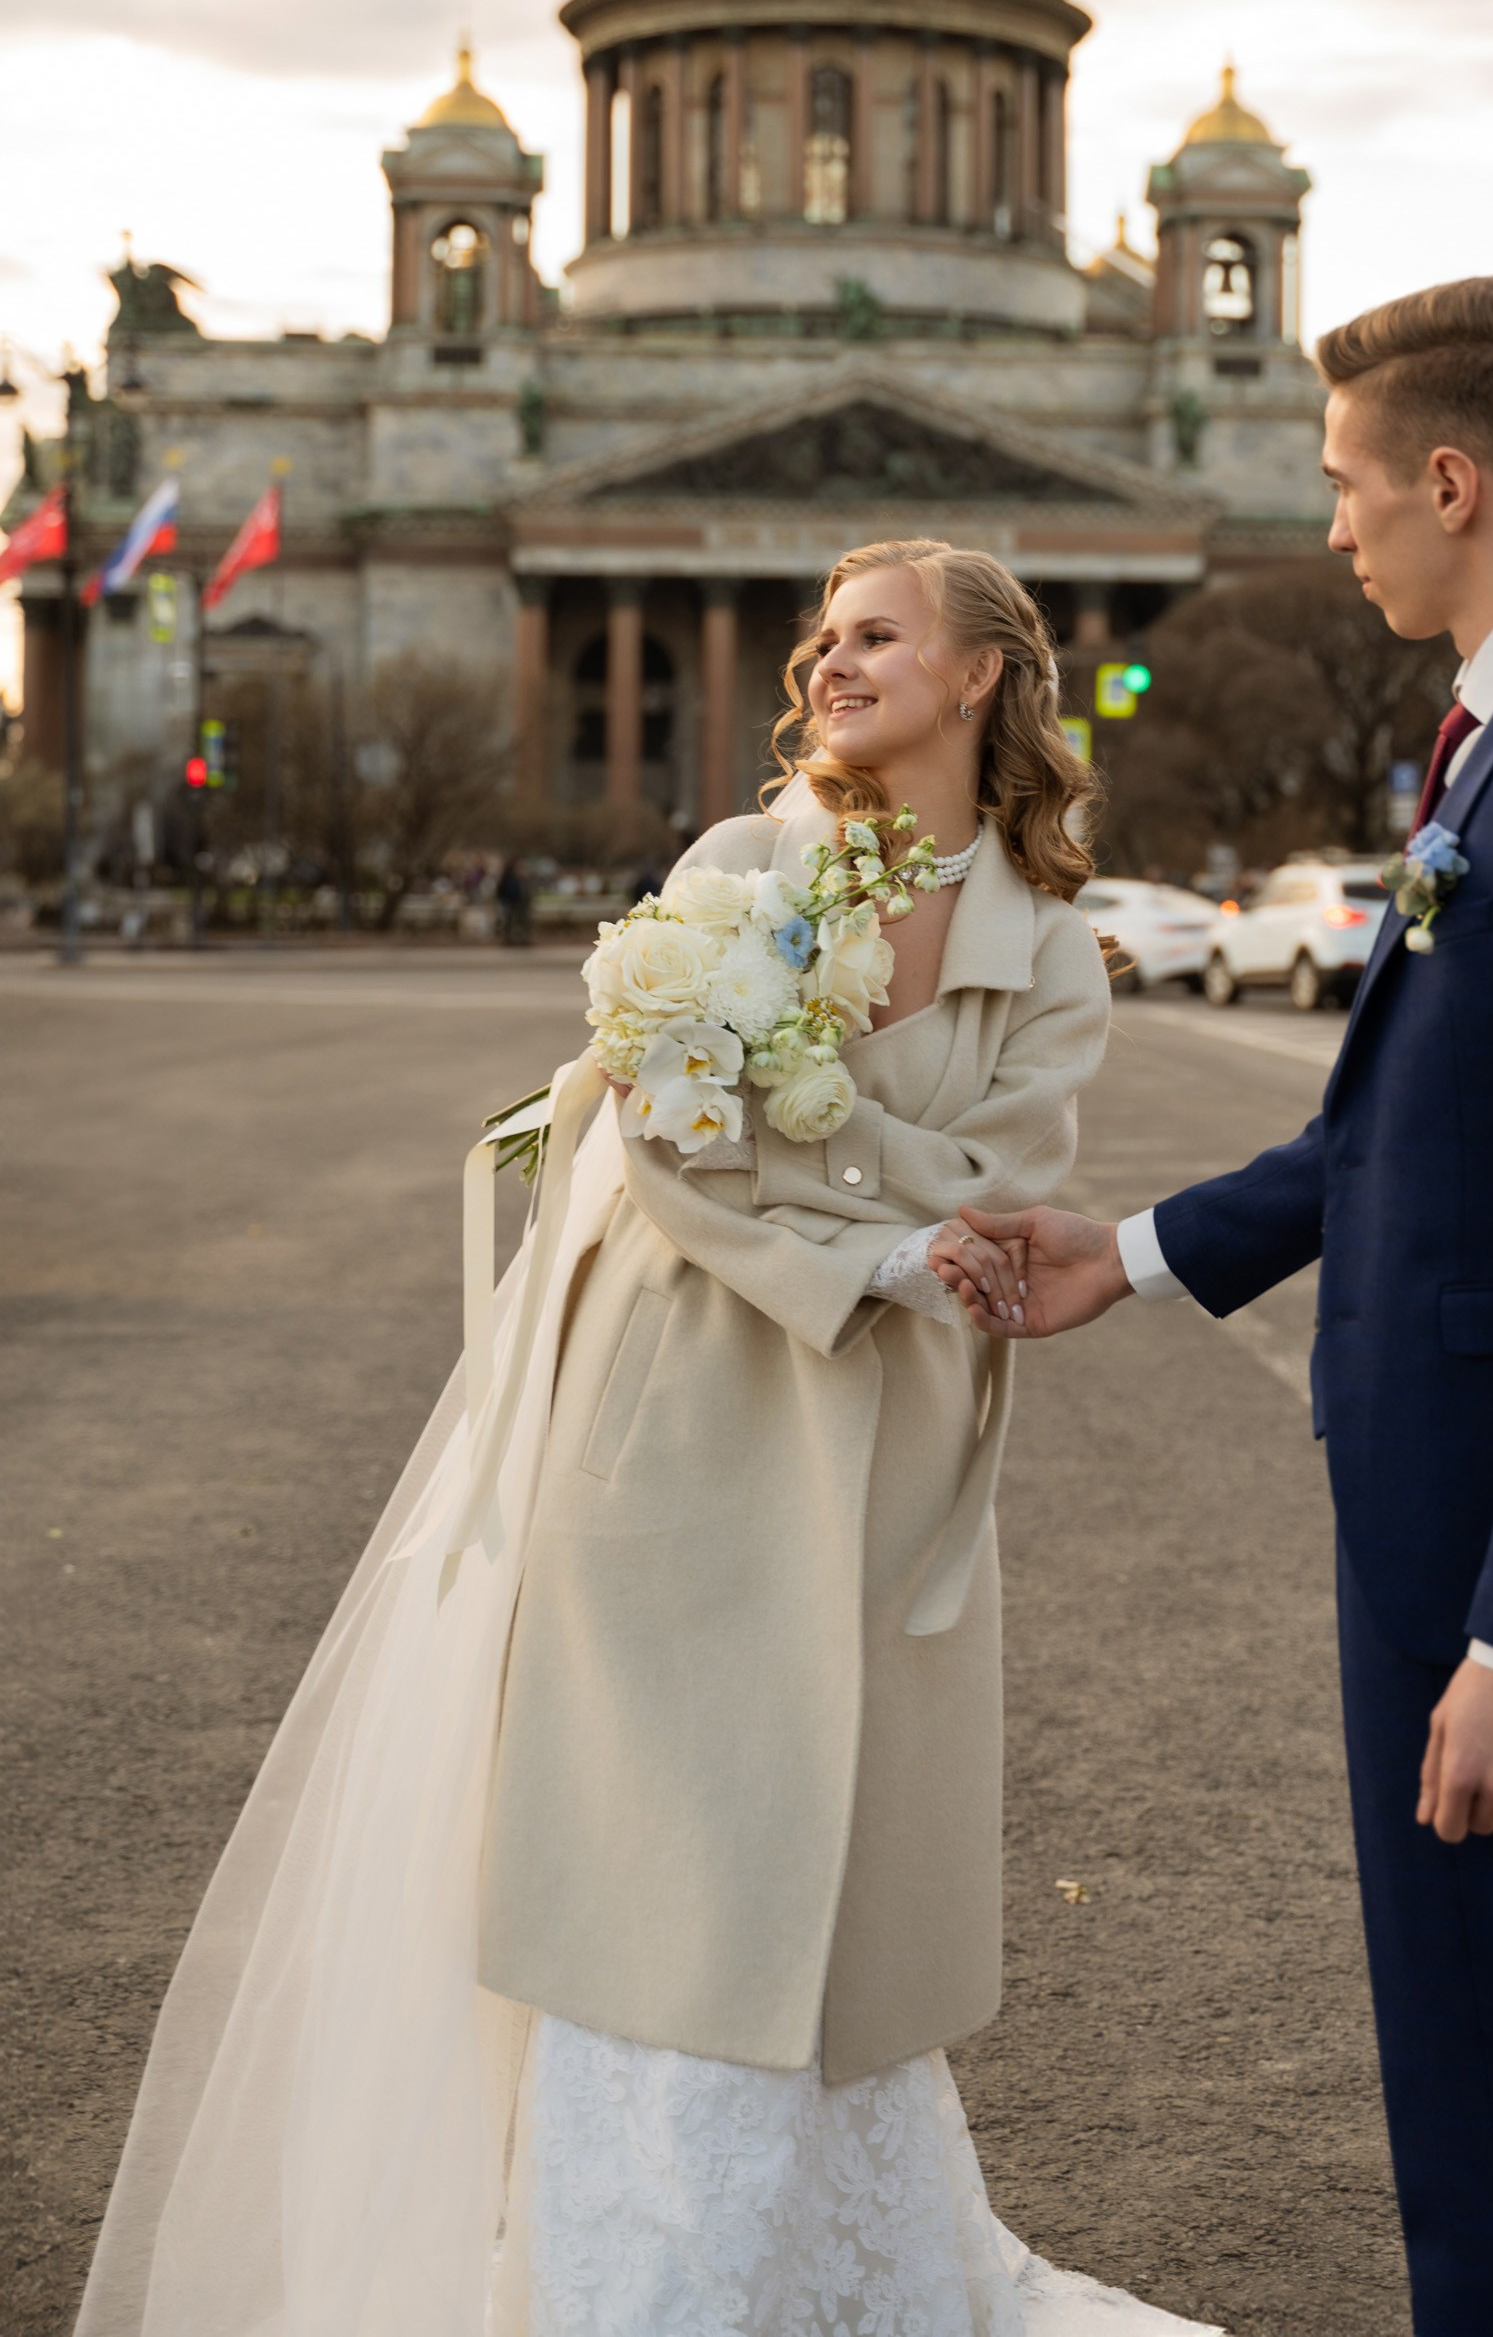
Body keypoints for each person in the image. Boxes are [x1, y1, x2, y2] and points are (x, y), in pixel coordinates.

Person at [76, 539, 1218, 2337]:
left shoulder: (1053, 948)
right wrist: (879, 1239)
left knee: (836, 1879)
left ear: (982, 672)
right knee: (658, 1866)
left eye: (878, 635)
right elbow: (680, 1156)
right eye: (822, 637)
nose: (830, 662)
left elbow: (1002, 1182)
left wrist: (808, 1147)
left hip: (889, 1453)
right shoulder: (737, 868)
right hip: (678, 1410)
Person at [936, 278, 1493, 2337]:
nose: (1331, 528)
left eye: (1346, 486)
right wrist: (1138, 1250)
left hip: (1490, 1523)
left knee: (1488, 2055)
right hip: (1442, 1485)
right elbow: (1407, 1127)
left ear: (1451, 479)